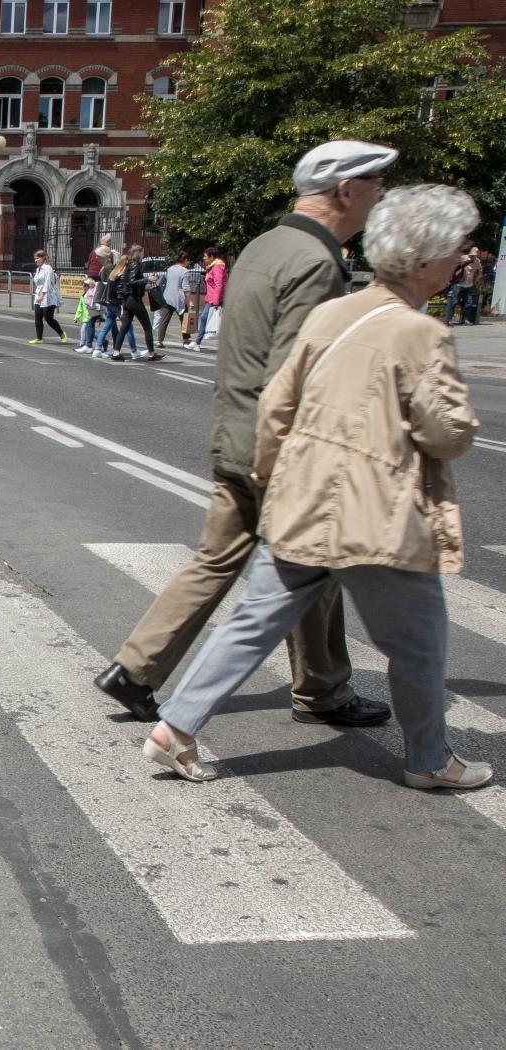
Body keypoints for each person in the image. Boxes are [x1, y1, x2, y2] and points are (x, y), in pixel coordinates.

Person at [145, 184, 490, 792]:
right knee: (419, 641)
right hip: (375, 513)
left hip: (301, 500)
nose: (463, 256)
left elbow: (278, 404)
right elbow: (445, 434)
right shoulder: (422, 333)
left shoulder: (334, 312)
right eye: (457, 246)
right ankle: (430, 759)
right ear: (425, 256)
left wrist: (270, 479)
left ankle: (174, 729)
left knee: (251, 622)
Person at [94, 138, 399, 728]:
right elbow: (298, 371)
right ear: (344, 190)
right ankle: (319, 691)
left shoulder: (265, 244)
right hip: (275, 448)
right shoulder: (315, 261)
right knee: (312, 563)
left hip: (237, 430)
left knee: (230, 561)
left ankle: (135, 670)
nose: (379, 197)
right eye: (374, 185)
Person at [110, 245, 164, 361]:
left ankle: (116, 353)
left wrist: (145, 284)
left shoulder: (129, 264)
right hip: (133, 299)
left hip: (127, 299)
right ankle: (151, 353)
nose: (144, 255)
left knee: (124, 327)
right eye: (142, 252)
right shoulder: (135, 265)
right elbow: (131, 282)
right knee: (147, 326)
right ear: (138, 252)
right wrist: (147, 279)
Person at [89, 257, 138, 360]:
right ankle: (134, 351)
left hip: (109, 303)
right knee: (128, 326)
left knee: (106, 326)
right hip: (117, 304)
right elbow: (120, 292)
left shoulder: (113, 273)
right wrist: (122, 305)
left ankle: (97, 349)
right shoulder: (122, 275)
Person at [187, 247, 226, 351]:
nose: (204, 258)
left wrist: (216, 301)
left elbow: (219, 285)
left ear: (212, 257)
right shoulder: (212, 266)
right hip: (211, 298)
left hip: (215, 299)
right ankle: (197, 342)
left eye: (205, 256)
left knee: (205, 318)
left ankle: (197, 343)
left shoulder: (218, 267)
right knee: (205, 319)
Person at [27, 249, 66, 345]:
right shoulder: (38, 269)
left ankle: (61, 333)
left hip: (49, 296)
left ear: (43, 258)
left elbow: (48, 283)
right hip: (39, 295)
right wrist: (38, 294)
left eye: (38, 258)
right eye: (35, 258)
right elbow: (37, 282)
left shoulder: (48, 268)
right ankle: (39, 338)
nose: (36, 260)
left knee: (48, 318)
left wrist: (43, 295)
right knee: (37, 317)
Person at [154, 251, 189, 349]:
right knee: (185, 318)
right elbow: (185, 287)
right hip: (179, 298)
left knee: (164, 320)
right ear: (185, 260)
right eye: (188, 260)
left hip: (167, 297)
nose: (189, 262)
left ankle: (160, 341)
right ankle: (186, 340)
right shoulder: (185, 271)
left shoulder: (170, 269)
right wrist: (189, 301)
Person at [445, 245, 481, 325]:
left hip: (469, 284)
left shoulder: (477, 261)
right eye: (472, 255)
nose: (473, 257)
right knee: (454, 301)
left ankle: (465, 320)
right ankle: (449, 319)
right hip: (458, 284)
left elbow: (479, 270)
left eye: (474, 255)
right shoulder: (463, 258)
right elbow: (453, 268)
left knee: (468, 302)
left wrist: (476, 279)